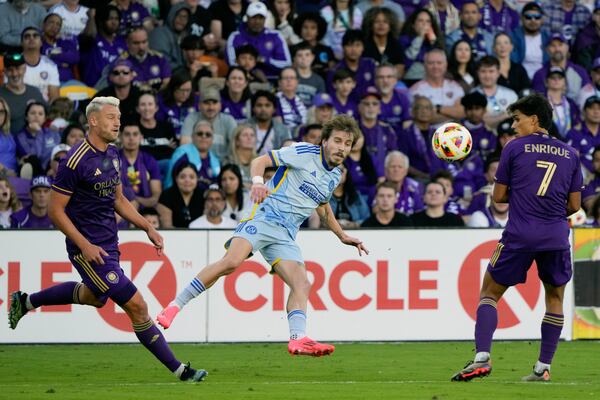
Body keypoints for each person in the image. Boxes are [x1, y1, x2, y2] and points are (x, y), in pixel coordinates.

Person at [8, 96, 207, 382]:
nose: (118, 122)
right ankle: (181, 371)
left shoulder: (112, 154)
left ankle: (25, 302)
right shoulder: (73, 161)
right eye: (112, 117)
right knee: (137, 306)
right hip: (87, 247)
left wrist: (146, 227)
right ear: (93, 120)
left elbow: (118, 198)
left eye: (118, 117)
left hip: (109, 243)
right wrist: (84, 245)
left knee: (95, 297)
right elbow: (55, 211)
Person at [156, 115, 369, 357]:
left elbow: (323, 206)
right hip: (265, 215)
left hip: (286, 234)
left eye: (347, 143)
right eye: (338, 141)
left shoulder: (333, 176)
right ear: (324, 141)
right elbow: (260, 160)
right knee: (231, 262)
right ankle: (175, 306)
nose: (342, 148)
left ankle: (298, 339)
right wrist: (258, 182)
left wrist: (342, 235)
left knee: (302, 284)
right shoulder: (302, 153)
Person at [451, 93, 583, 382]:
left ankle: (481, 357)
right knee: (555, 299)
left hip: (520, 234)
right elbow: (574, 206)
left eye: (517, 119)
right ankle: (543, 368)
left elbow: (498, 198)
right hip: (556, 237)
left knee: (489, 294)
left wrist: (524, 197)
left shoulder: (514, 148)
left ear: (534, 120)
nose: (513, 125)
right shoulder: (571, 154)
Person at [226, 1, 291, 79]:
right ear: (247, 17)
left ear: (265, 19)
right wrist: (252, 71)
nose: (257, 21)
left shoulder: (276, 36)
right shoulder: (235, 37)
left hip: (273, 81)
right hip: (243, 81)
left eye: (261, 18)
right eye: (254, 17)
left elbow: (286, 64)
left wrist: (264, 60)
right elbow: (232, 63)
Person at [118, 122, 162, 209]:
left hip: (146, 209)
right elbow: (111, 193)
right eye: (127, 134)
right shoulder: (113, 159)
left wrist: (135, 200)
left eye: (135, 134)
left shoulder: (149, 160)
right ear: (120, 137)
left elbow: (155, 198)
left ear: (141, 137)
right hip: (120, 209)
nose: (131, 138)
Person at [0, 53, 46, 134]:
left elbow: (48, 115)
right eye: (10, 70)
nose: (14, 74)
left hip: (35, 142)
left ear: (24, 69)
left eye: (18, 69)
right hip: (9, 144)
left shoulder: (35, 92)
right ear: (5, 72)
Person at [157, 161, 205, 228]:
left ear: (197, 179)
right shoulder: (166, 195)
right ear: (176, 179)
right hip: (173, 236)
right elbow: (166, 227)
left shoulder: (204, 195)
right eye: (182, 177)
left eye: (191, 177)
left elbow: (206, 224)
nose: (187, 180)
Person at [247, 90, 292, 155]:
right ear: (253, 109)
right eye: (259, 105)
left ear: (274, 109)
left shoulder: (283, 129)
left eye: (267, 105)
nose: (263, 109)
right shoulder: (244, 127)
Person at [329, 163, 370, 228]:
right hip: (327, 234)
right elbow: (316, 221)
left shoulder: (356, 195)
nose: (337, 174)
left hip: (354, 234)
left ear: (346, 173)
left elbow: (366, 218)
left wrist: (355, 224)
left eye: (340, 170)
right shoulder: (322, 196)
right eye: (333, 171)